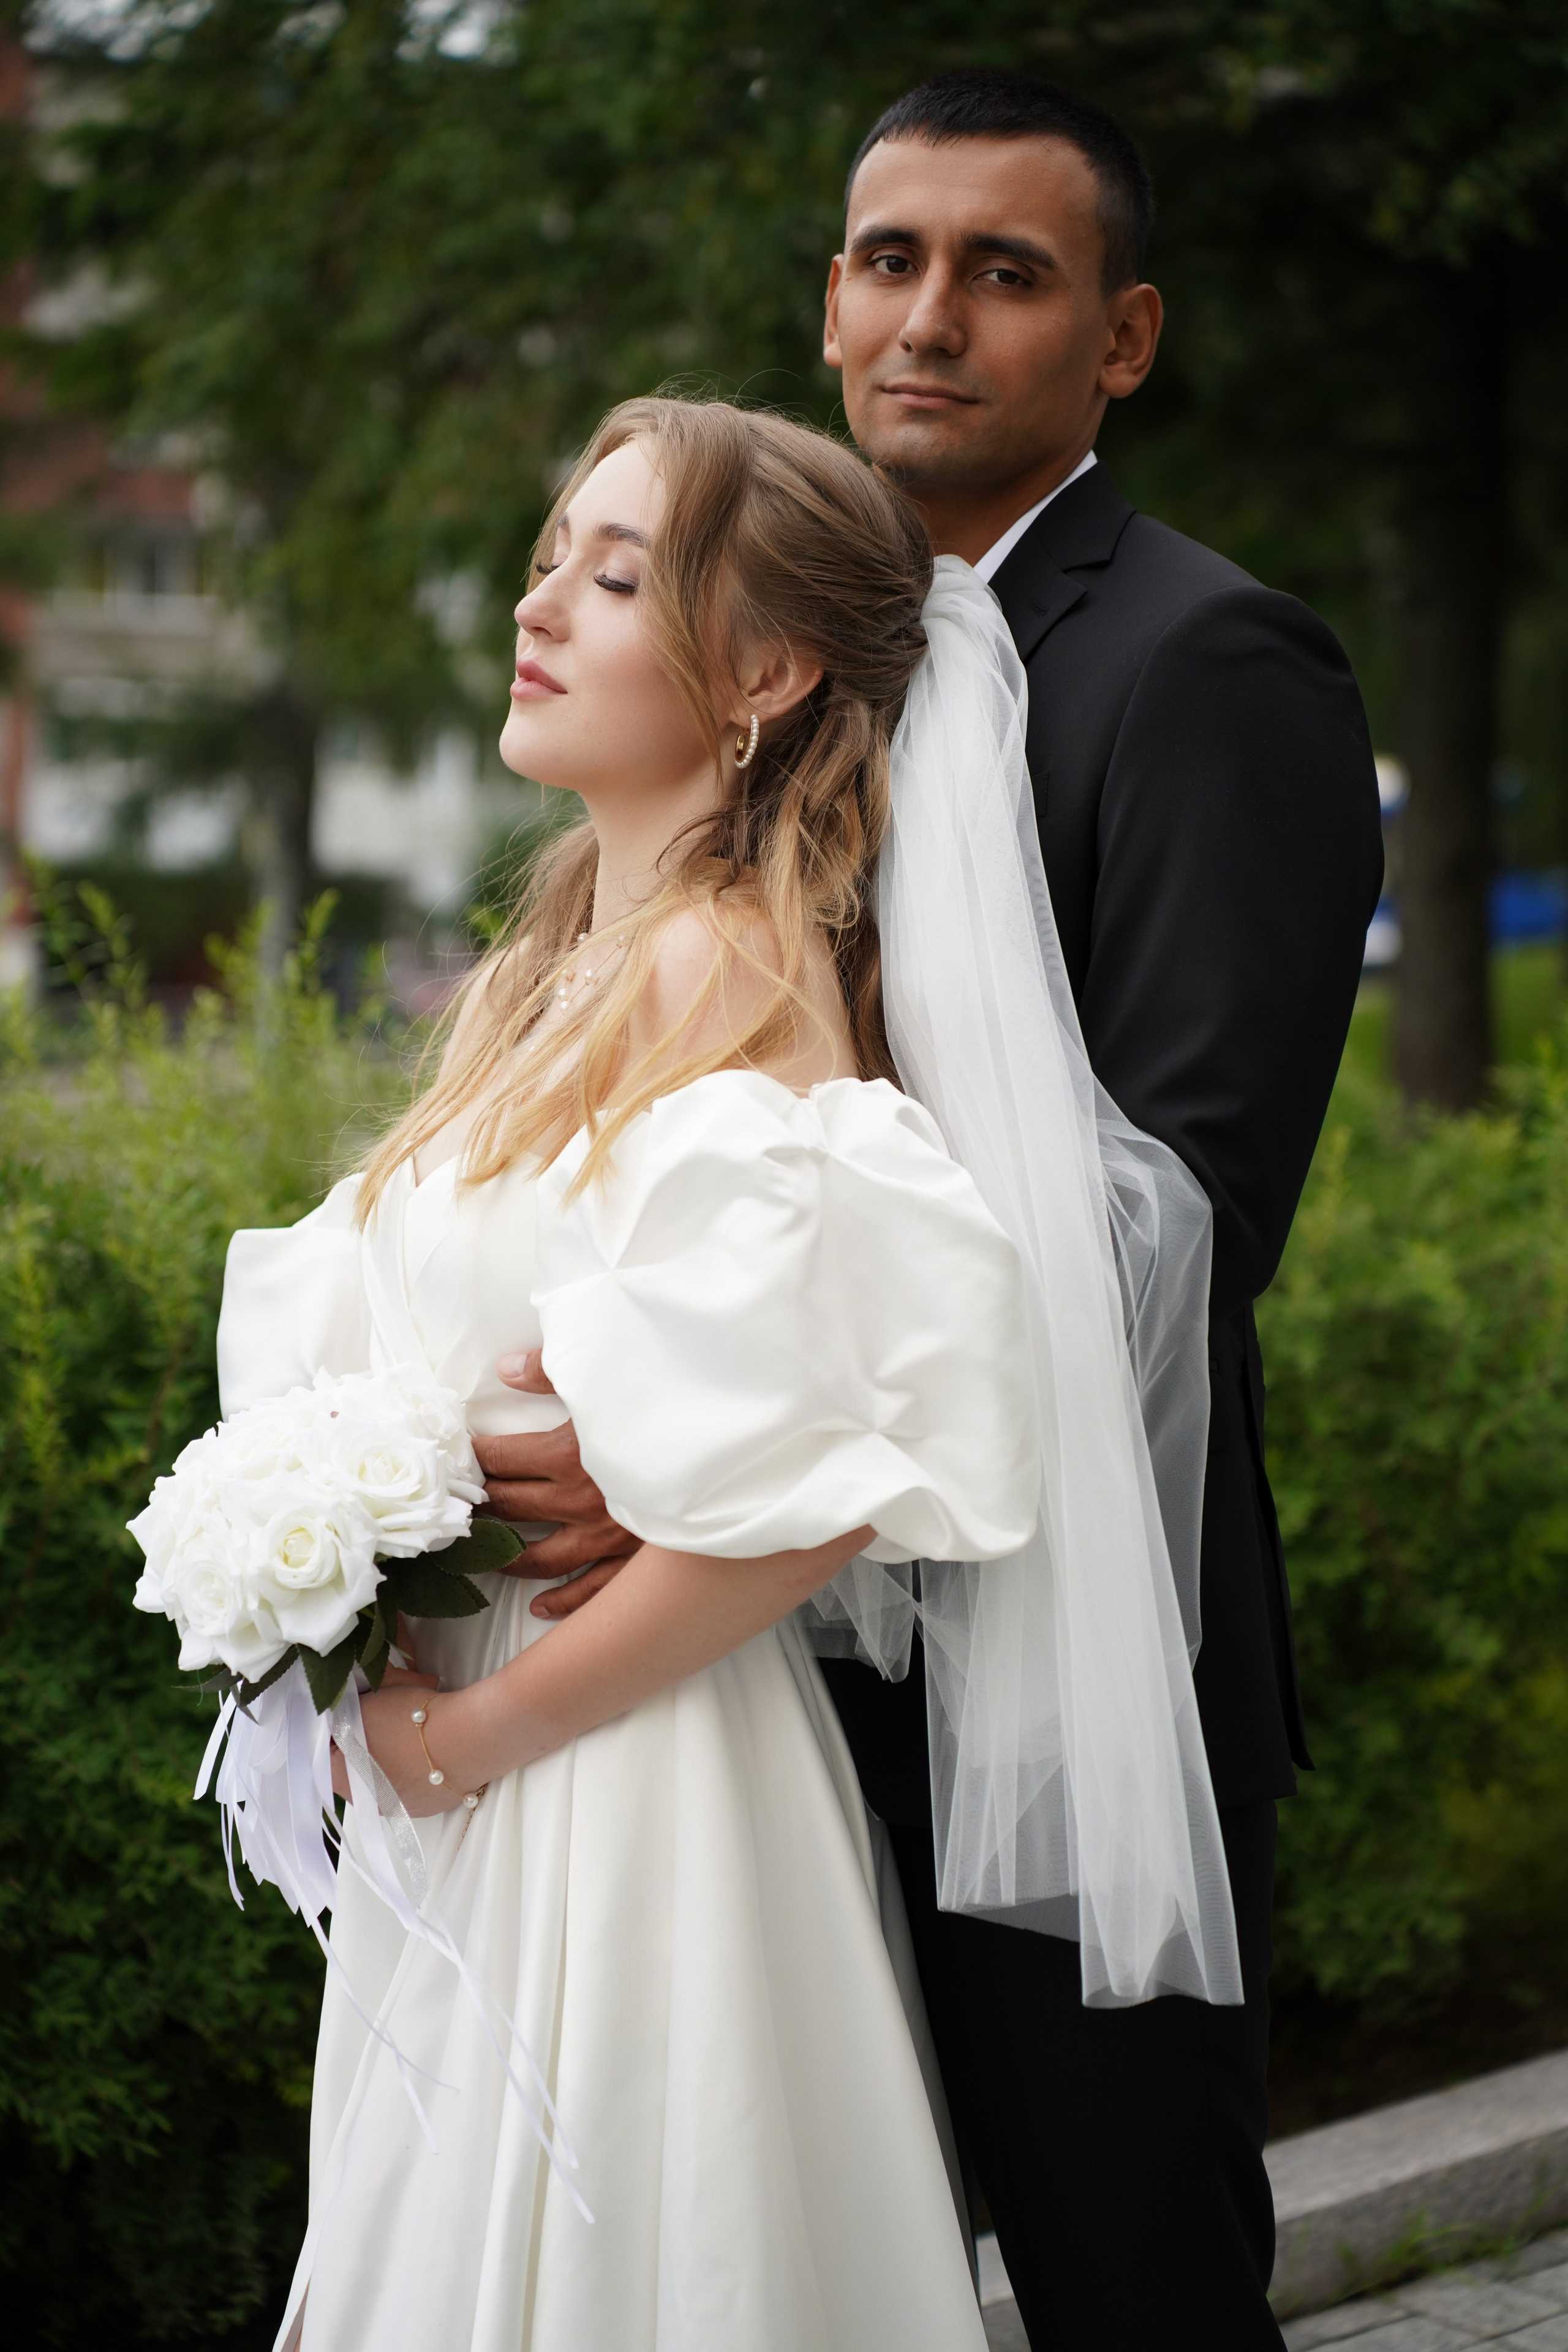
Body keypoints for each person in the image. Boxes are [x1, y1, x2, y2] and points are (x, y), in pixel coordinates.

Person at [479, 70, 1385, 2352]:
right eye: (893, 259)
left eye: (1010, 272)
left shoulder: (1210, 664)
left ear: (1124, 337)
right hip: (744, 1653)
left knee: (1130, 2287)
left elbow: (1181, 1218)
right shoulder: (767, 649)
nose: (934, 318)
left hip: (1070, 1647)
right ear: (830, 297)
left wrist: (730, 1436)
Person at [219, 396, 1052, 2352]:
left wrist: (458, 1743)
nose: (543, 607)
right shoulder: (553, 973)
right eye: (551, 559)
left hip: (615, 1783)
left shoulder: (725, 977)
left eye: (615, 575)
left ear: (762, 672)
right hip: (484, 1774)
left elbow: (829, 1476)